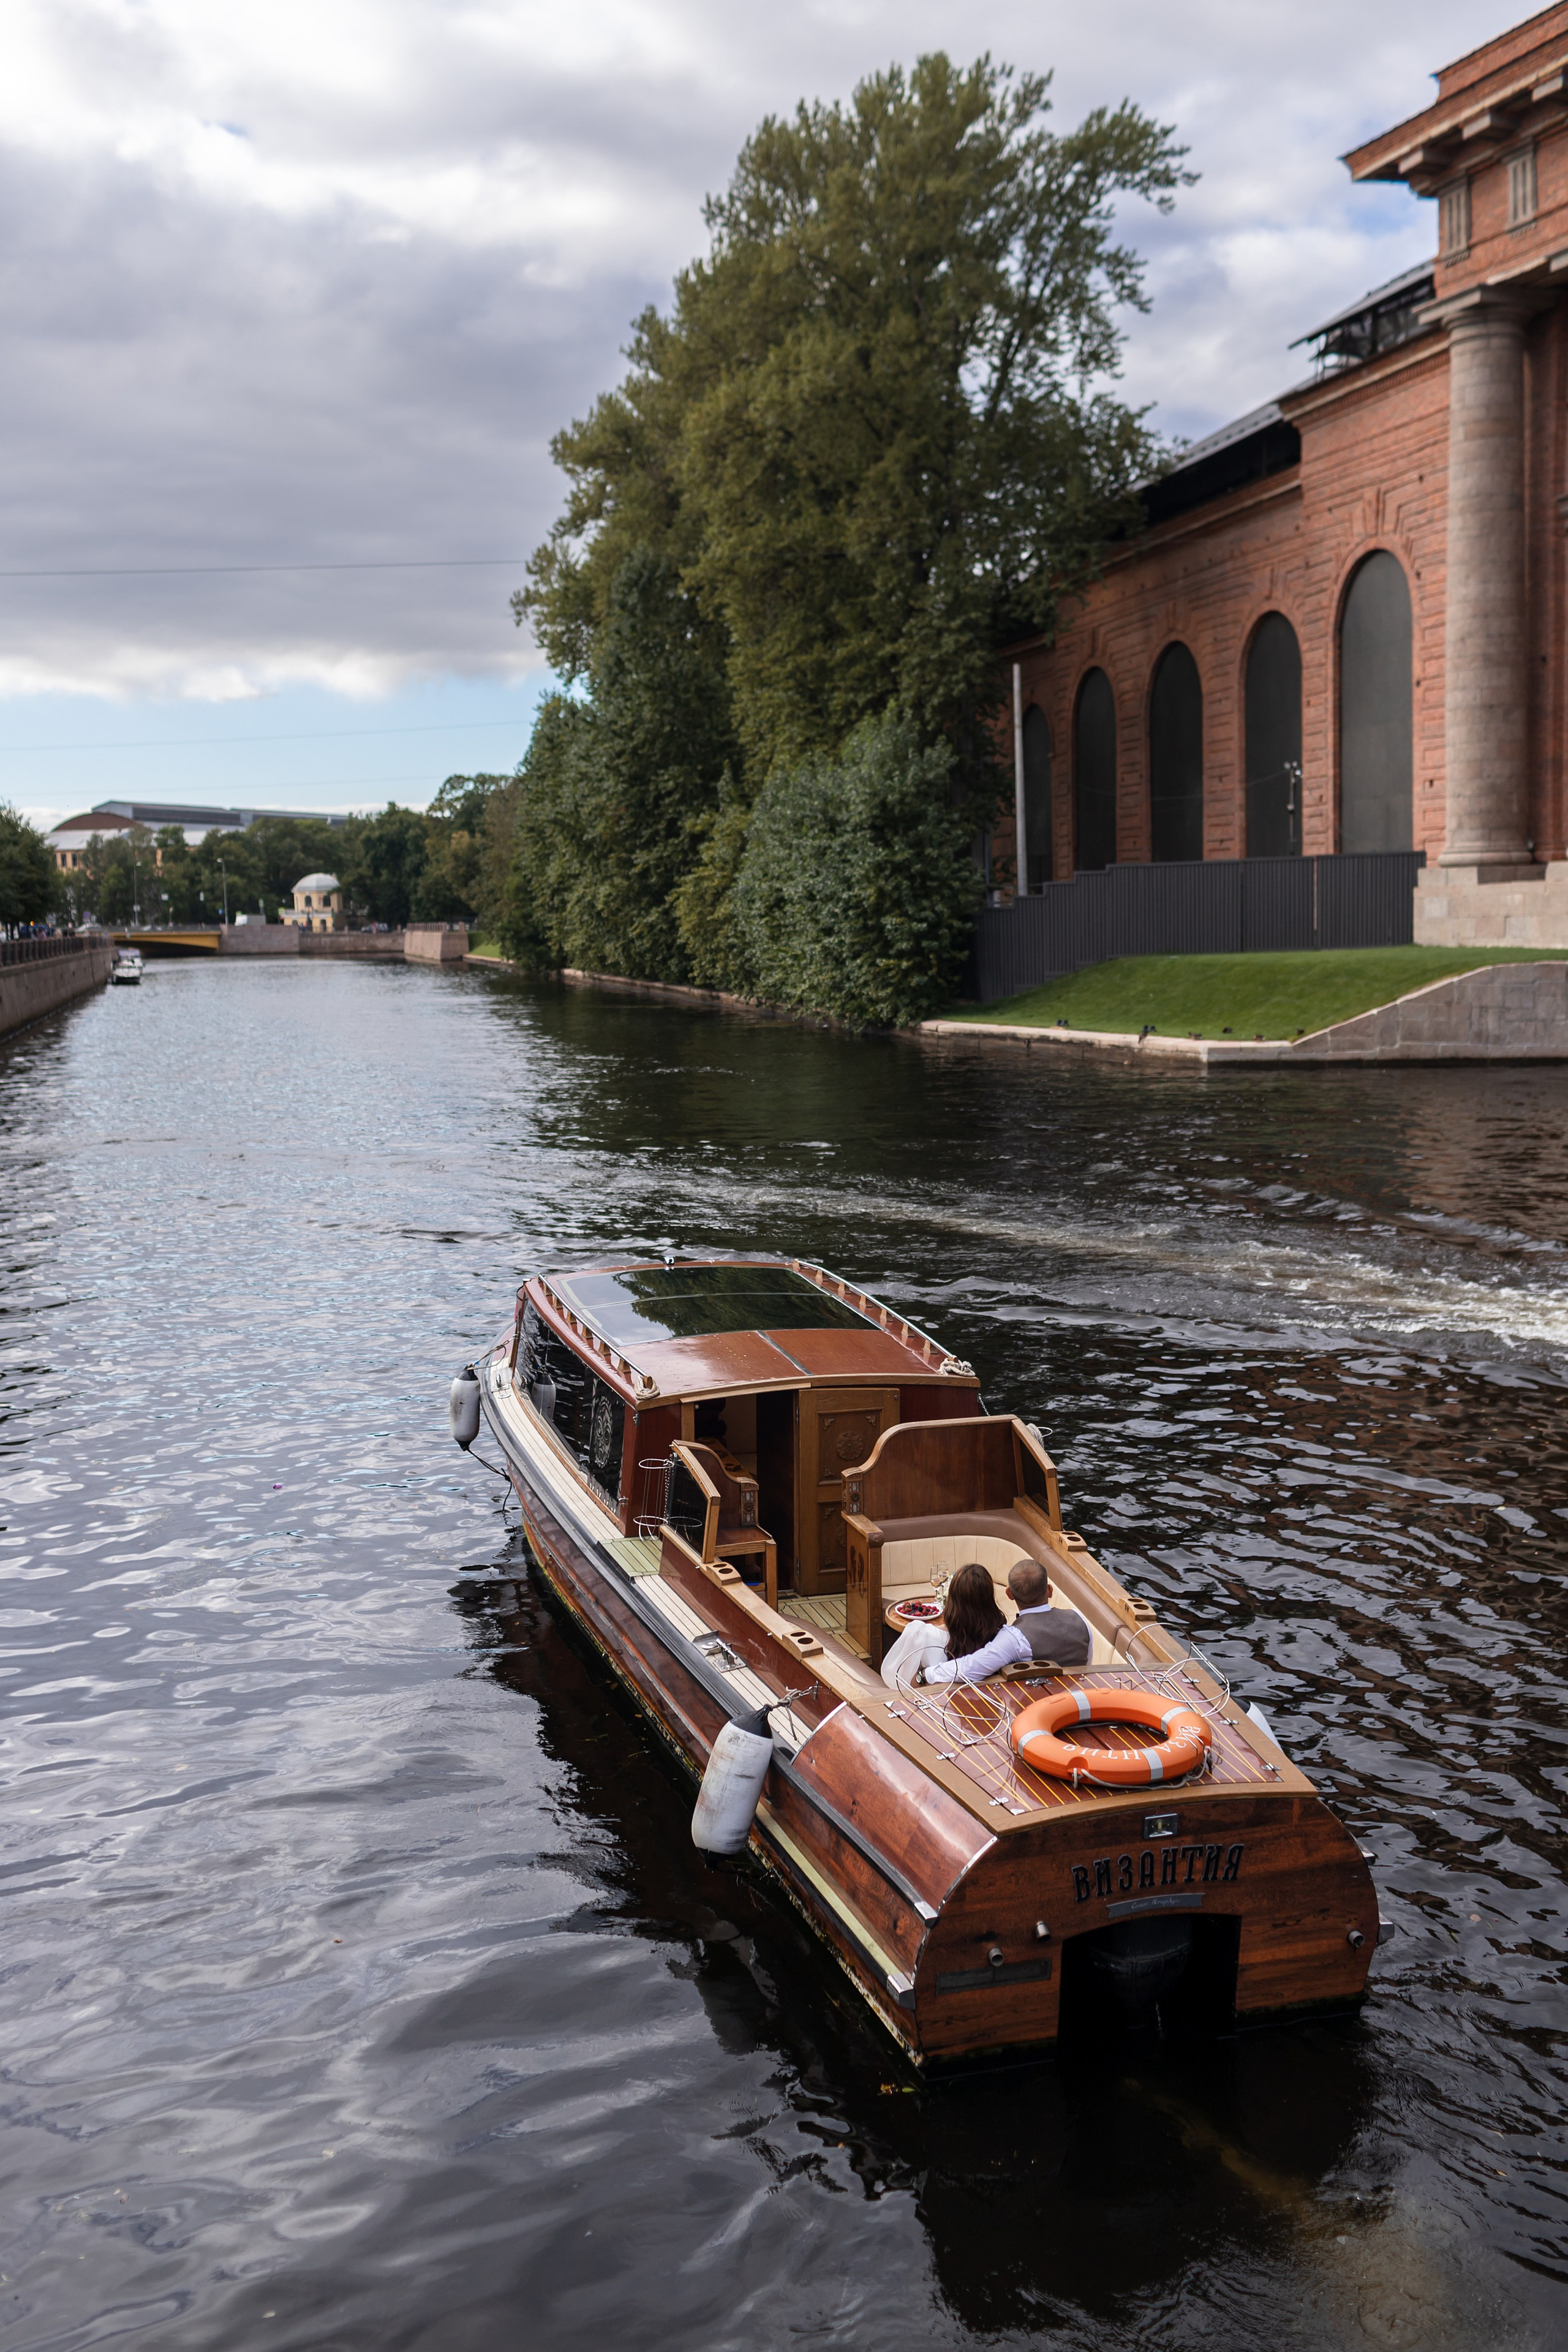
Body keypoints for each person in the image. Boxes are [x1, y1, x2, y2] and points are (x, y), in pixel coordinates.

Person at [919, 1558, 1090, 1685]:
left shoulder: (1014, 1638)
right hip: (1080, 1703)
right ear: (1050, 1591)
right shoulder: (1081, 1619)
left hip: (1039, 1709)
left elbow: (969, 1668)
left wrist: (927, 1674)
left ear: (1009, 1594)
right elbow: (1086, 1666)